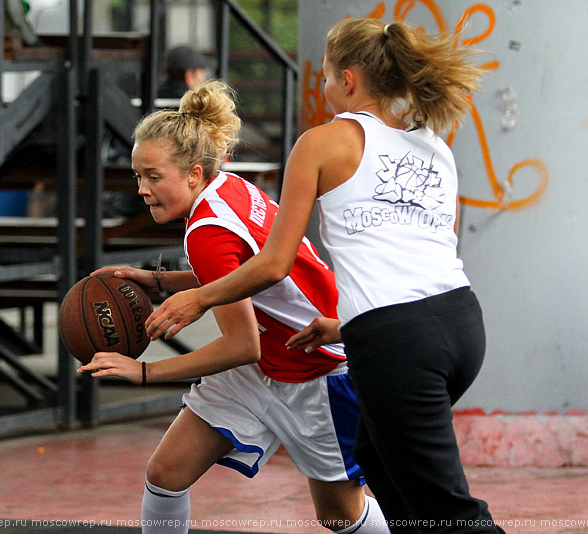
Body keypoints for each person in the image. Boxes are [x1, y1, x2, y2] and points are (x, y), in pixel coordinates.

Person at [144, 18, 504, 533]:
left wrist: (197, 301)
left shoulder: (322, 143)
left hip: (399, 341)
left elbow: (274, 263)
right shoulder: (435, 147)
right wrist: (346, 325)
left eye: (326, 76)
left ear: (350, 80)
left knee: (445, 508)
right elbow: (427, 257)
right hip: (460, 325)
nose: (323, 86)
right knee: (383, 467)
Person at [78, 80, 388, 534]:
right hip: (270, 361)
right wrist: (158, 280)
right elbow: (237, 278)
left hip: (317, 371)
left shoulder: (206, 232)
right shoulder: (230, 188)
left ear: (193, 174)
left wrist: (141, 372)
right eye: (137, 175)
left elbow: (241, 345)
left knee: (340, 514)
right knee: (166, 475)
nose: (142, 189)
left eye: (153, 176)